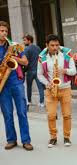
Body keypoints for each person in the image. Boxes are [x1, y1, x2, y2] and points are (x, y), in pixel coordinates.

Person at [37, 34, 76, 148]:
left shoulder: (67, 54)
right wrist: (47, 83)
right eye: (52, 45)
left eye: (57, 45)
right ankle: (53, 137)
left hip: (65, 88)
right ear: (47, 45)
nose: (55, 48)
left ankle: (67, 137)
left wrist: (65, 70)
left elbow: (73, 71)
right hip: (50, 89)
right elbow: (39, 74)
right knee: (51, 115)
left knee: (67, 115)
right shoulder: (41, 57)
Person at [0, 21, 33, 151]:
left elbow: (25, 61)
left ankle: (26, 141)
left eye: (6, 31)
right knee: (7, 114)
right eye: (2, 31)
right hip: (3, 85)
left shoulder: (14, 46)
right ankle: (11, 140)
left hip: (16, 83)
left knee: (22, 113)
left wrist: (14, 57)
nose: (4, 33)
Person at [22, 34, 45, 109]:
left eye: (25, 40)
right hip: (38, 70)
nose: (24, 42)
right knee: (40, 87)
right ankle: (41, 103)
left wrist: (24, 70)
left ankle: (29, 102)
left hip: (30, 71)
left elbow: (26, 61)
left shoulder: (26, 49)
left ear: (29, 40)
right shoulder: (38, 48)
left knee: (29, 87)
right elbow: (41, 58)